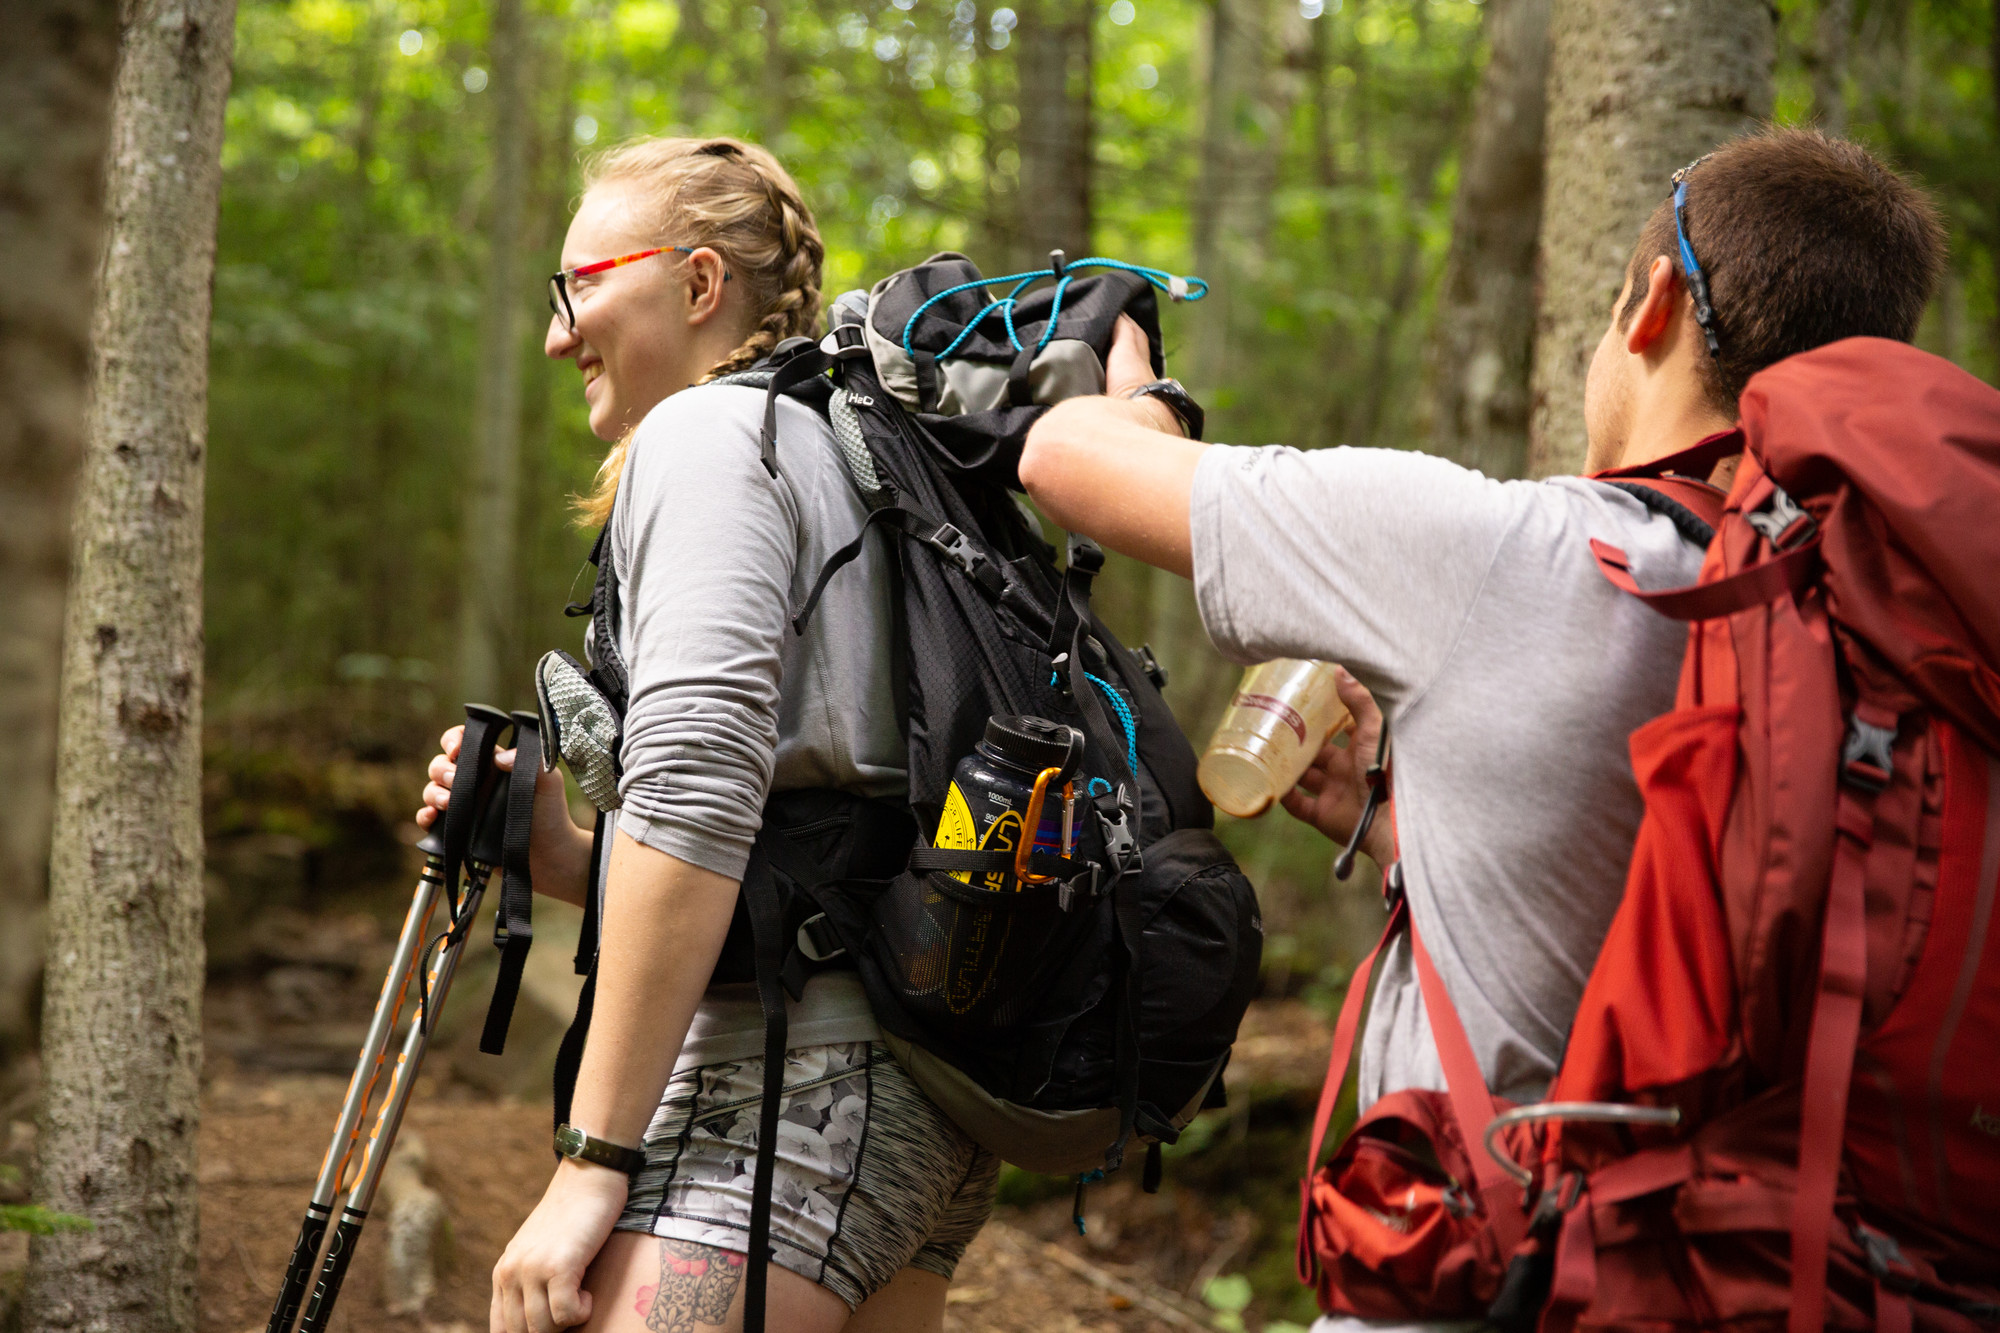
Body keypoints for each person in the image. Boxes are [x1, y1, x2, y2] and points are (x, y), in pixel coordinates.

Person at [1019, 127, 1946, 1138]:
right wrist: (1399, 834)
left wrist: (1138, 384)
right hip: (1776, 1262)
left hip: (1520, 1266)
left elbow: (1063, 460)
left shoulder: (1508, 551)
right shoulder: (1861, 623)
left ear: (1651, 304)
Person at [416, 136, 997, 1333]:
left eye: (578, 287)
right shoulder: (847, 444)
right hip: (909, 1090)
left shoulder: (706, 439)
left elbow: (693, 785)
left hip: (790, 1090)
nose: (555, 332)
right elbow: (816, 809)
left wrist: (592, 1160)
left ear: (693, 285)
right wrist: (566, 856)